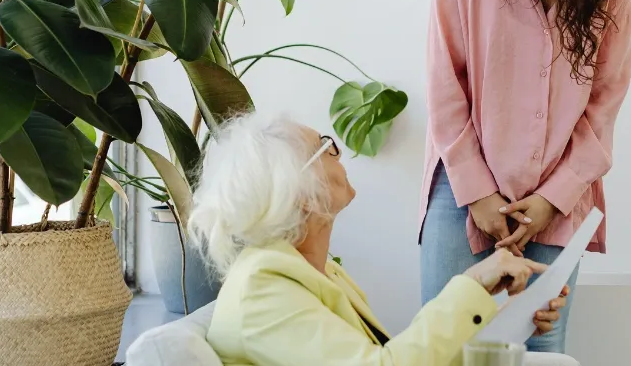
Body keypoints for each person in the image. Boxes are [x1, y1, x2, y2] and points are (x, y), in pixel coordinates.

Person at [420, 0, 631, 353]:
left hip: (558, 198)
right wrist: (478, 193)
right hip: (463, 193)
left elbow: (606, 97)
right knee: (444, 349)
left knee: (541, 348)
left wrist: (552, 198)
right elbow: (443, 84)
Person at [187, 112, 570, 366]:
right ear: (300, 192)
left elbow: (390, 357)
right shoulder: (262, 290)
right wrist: (470, 284)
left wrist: (507, 323)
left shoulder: (314, 274)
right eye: (325, 147)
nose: (339, 153)